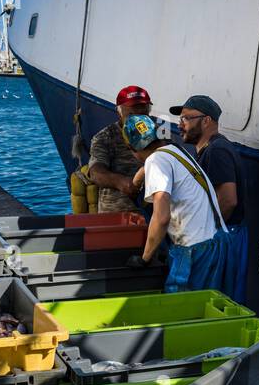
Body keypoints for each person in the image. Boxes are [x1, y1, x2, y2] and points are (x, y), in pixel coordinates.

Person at [123, 114, 229, 294]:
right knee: (209, 306)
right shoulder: (174, 150)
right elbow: (151, 165)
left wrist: (145, 258)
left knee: (183, 308)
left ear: (131, 148)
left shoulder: (155, 162)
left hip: (194, 250)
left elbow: (162, 218)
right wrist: (137, 181)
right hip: (217, 241)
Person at [170, 94, 249, 305]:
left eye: (186, 118)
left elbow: (228, 200)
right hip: (227, 234)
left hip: (225, 236)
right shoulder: (208, 150)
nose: (180, 124)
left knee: (216, 299)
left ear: (206, 121)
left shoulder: (217, 151)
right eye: (180, 119)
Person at [83, 85, 153, 213]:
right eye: (132, 112)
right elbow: (95, 172)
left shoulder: (160, 132)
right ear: (119, 112)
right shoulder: (105, 137)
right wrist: (120, 182)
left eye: (143, 111)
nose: (138, 116)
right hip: (116, 214)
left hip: (155, 214)